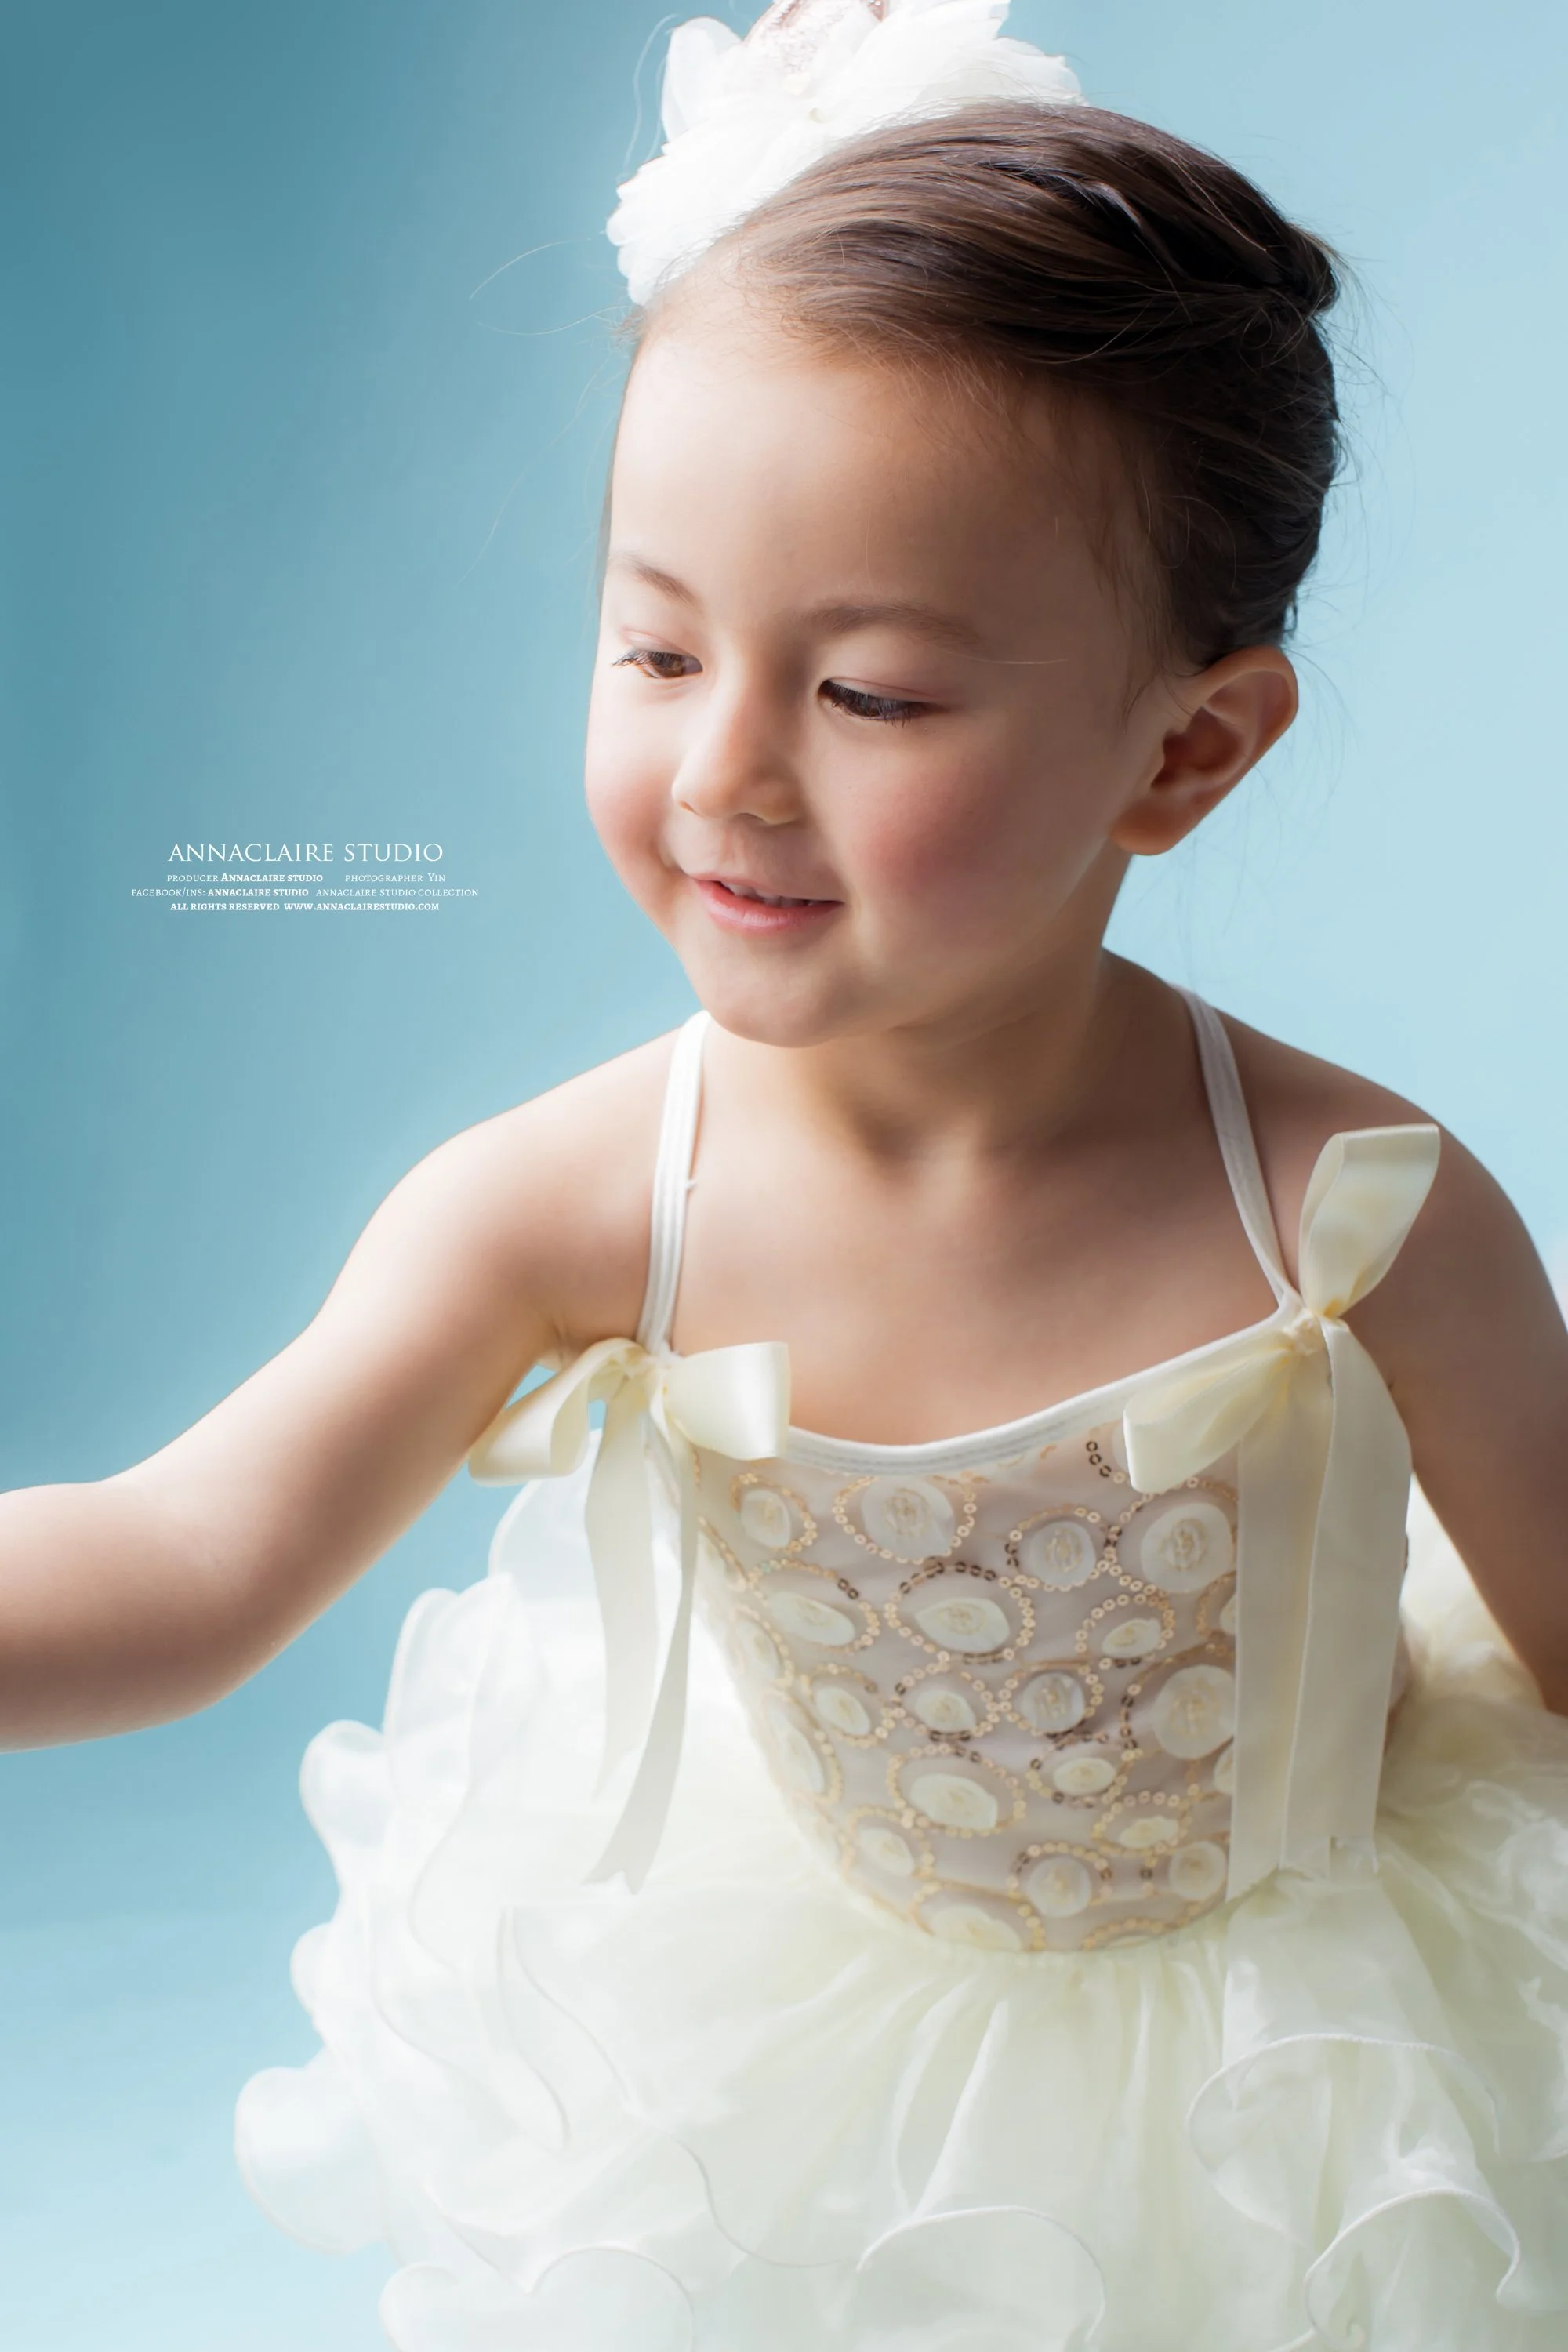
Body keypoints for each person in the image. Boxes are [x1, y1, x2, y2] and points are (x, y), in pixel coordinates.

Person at [4, 4, 1566, 2344]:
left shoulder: (1353, 1209)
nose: (723, 771)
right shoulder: (566, 1198)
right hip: (810, 2062)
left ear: (1192, 746)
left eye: (873, 694)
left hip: (1305, 2076)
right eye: (653, 645)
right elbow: (189, 1559)